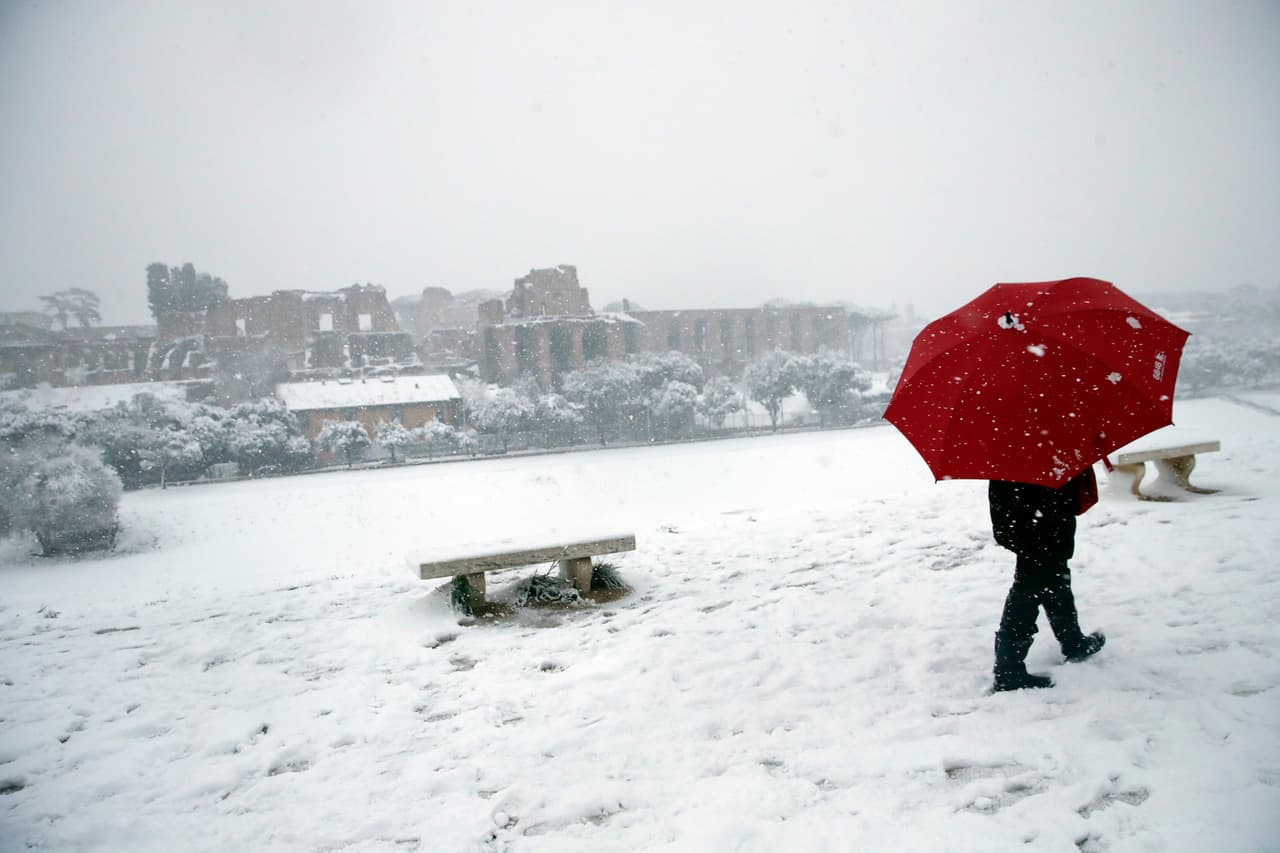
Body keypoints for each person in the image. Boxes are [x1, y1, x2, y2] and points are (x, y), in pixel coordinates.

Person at [988, 466, 1106, 692]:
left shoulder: (1011, 453)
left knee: (1057, 583)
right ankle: (1008, 670)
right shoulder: (1033, 453)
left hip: (1040, 527)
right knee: (1027, 593)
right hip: (1040, 531)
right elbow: (1070, 501)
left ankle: (1073, 643)